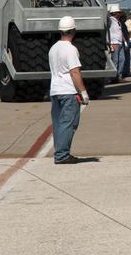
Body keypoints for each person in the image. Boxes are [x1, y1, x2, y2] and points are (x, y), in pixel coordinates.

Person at [48, 15, 89, 164]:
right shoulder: (70, 49)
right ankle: (62, 155)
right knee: (69, 123)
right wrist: (83, 92)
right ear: (73, 30)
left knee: (59, 124)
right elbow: (75, 72)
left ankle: (60, 152)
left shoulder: (53, 49)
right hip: (68, 92)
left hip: (55, 91)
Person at [107, 3, 126, 82]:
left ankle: (119, 76)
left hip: (120, 43)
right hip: (114, 43)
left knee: (122, 59)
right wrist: (111, 43)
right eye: (118, 12)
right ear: (114, 13)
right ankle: (112, 77)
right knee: (115, 61)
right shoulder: (110, 20)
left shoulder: (118, 22)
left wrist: (124, 42)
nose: (119, 14)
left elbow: (120, 32)